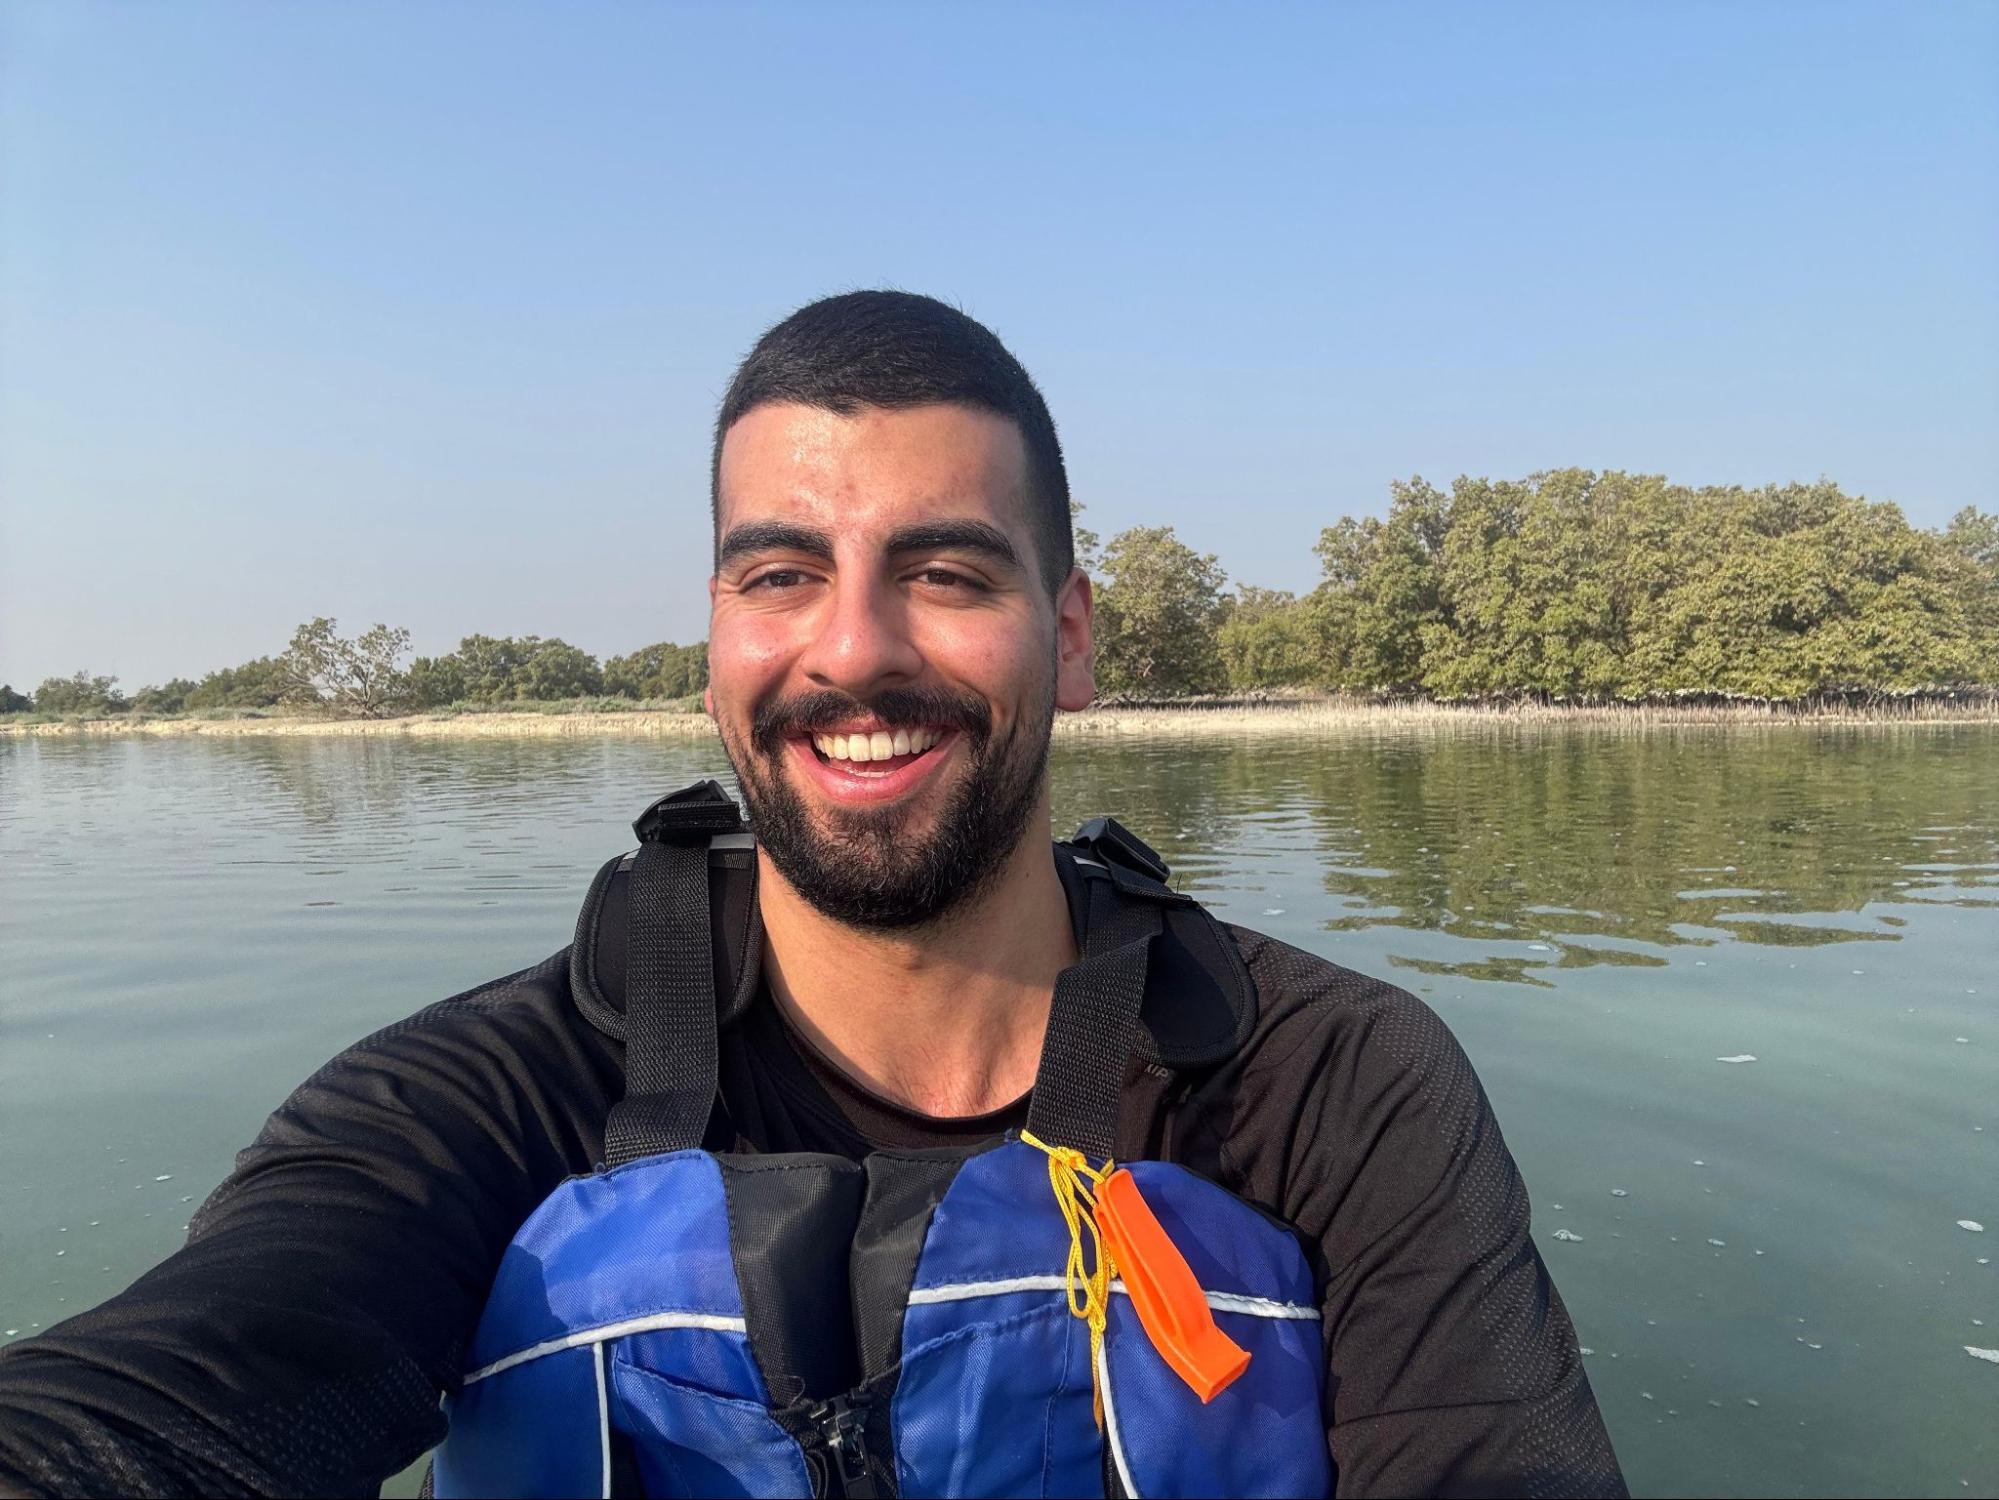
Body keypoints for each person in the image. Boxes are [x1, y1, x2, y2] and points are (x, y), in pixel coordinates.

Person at [0, 291, 1625, 1498]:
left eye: (946, 571)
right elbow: (196, 1375)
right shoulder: (493, 1099)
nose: (852, 650)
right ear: (716, 635)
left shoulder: (1333, 1090)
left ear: (1068, 633)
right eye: (783, 576)